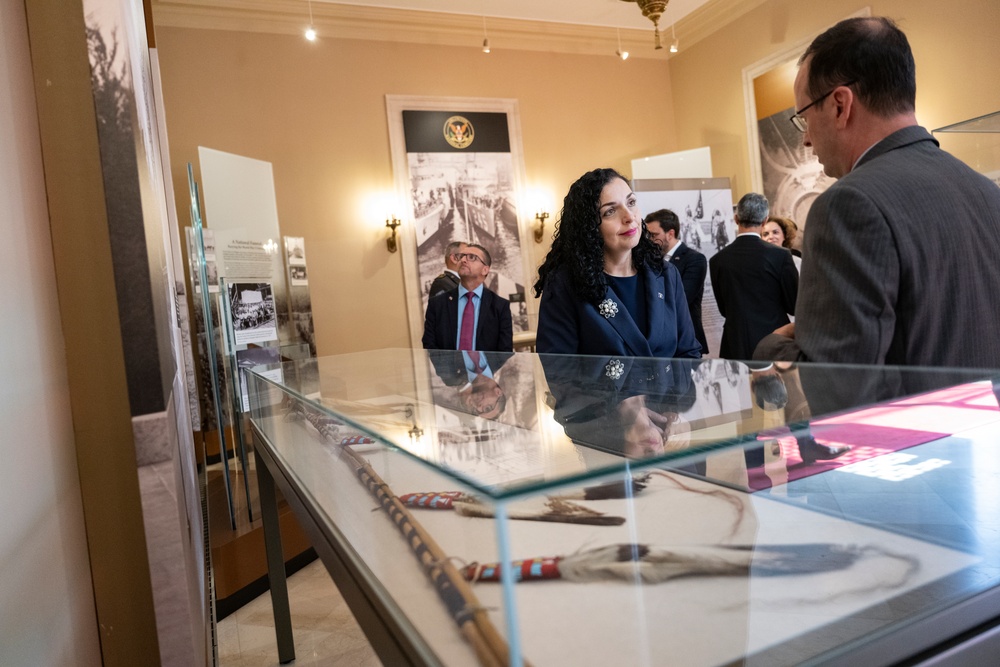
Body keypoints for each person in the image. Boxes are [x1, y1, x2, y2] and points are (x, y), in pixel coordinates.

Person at [755, 17, 1000, 367]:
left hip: (908, 422)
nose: (806, 138)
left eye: (804, 117)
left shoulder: (848, 204)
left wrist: (770, 347)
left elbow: (840, 383)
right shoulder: (985, 191)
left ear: (840, 105)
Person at [533, 168, 702, 358]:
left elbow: (688, 352)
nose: (629, 217)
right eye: (610, 211)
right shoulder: (564, 283)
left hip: (669, 389)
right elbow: (560, 372)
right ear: (589, 227)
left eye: (631, 202)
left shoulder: (666, 273)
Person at [709, 193, 798, 360]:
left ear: (736, 219)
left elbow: (723, 309)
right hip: (774, 340)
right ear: (765, 221)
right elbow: (793, 305)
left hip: (735, 342)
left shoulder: (717, 260)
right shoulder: (781, 256)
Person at [422, 244, 513, 352]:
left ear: (485, 270)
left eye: (471, 257)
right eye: (462, 256)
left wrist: (485, 369)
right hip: (448, 368)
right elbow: (429, 344)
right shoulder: (437, 304)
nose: (463, 260)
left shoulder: (500, 306)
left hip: (486, 369)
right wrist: (446, 368)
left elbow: (505, 350)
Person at [645, 208, 709, 355]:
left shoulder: (694, 259)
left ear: (670, 234)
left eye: (654, 235)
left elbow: (682, 298)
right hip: (659, 344)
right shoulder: (649, 260)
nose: (649, 240)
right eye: (647, 235)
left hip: (686, 340)